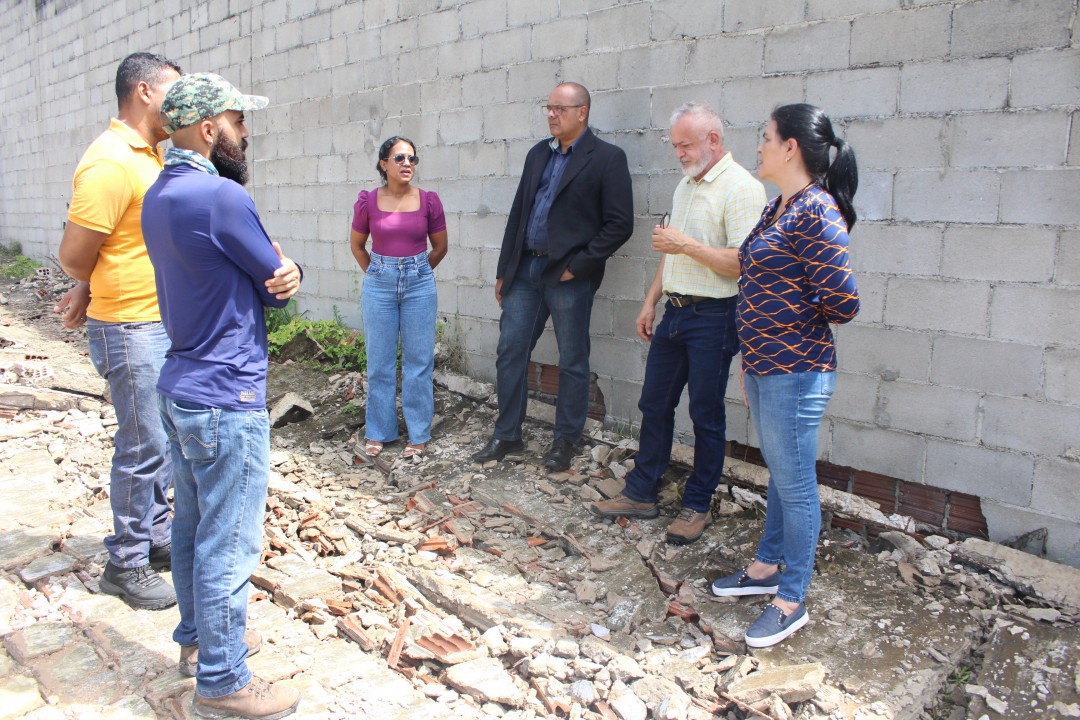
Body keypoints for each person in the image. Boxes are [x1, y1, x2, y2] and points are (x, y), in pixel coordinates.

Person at [142, 72, 302, 719]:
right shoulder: (222, 199)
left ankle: (196, 642)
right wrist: (288, 275)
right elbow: (275, 288)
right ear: (209, 130)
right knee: (228, 540)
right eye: (239, 122)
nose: (245, 133)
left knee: (189, 526)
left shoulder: (158, 195)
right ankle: (224, 679)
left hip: (180, 384)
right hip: (226, 395)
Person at [710, 104, 860, 649]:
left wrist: (791, 317)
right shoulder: (779, 208)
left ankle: (792, 597)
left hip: (797, 371)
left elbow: (842, 302)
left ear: (791, 147)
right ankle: (767, 567)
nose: (759, 146)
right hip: (766, 368)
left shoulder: (816, 211)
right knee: (781, 470)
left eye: (766, 137)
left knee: (796, 484)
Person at [590, 102, 765, 544]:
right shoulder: (686, 185)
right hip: (676, 311)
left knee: (705, 413)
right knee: (654, 403)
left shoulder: (743, 189)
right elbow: (670, 254)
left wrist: (684, 244)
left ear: (713, 140)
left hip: (715, 315)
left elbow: (741, 264)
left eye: (686, 145)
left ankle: (697, 504)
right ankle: (642, 492)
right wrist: (650, 302)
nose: (680, 154)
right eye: (676, 146)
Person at [55, 52, 182, 611]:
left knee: (163, 441)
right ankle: (125, 561)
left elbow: (126, 239)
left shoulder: (151, 155)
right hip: (129, 326)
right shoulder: (109, 161)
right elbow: (74, 254)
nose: (178, 105)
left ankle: (154, 536)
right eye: (172, 93)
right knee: (142, 443)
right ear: (144, 92)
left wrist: (90, 282)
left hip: (157, 321)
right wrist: (87, 283)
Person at [473, 82, 634, 472]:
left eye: (559, 108)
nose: (551, 114)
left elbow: (619, 224)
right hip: (525, 270)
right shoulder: (536, 155)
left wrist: (576, 267)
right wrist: (503, 270)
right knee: (510, 351)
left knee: (573, 359)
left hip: (567, 276)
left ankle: (565, 440)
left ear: (583, 112)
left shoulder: (607, 158)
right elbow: (519, 215)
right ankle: (507, 434)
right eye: (548, 107)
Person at [350, 136, 448, 460]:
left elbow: (440, 247)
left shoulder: (429, 201)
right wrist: (378, 273)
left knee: (418, 362)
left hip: (419, 284)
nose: (408, 163)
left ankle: (418, 434)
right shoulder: (367, 201)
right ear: (384, 164)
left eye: (412, 158)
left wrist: (418, 271)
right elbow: (357, 245)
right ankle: (379, 430)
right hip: (379, 284)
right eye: (400, 158)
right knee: (380, 362)